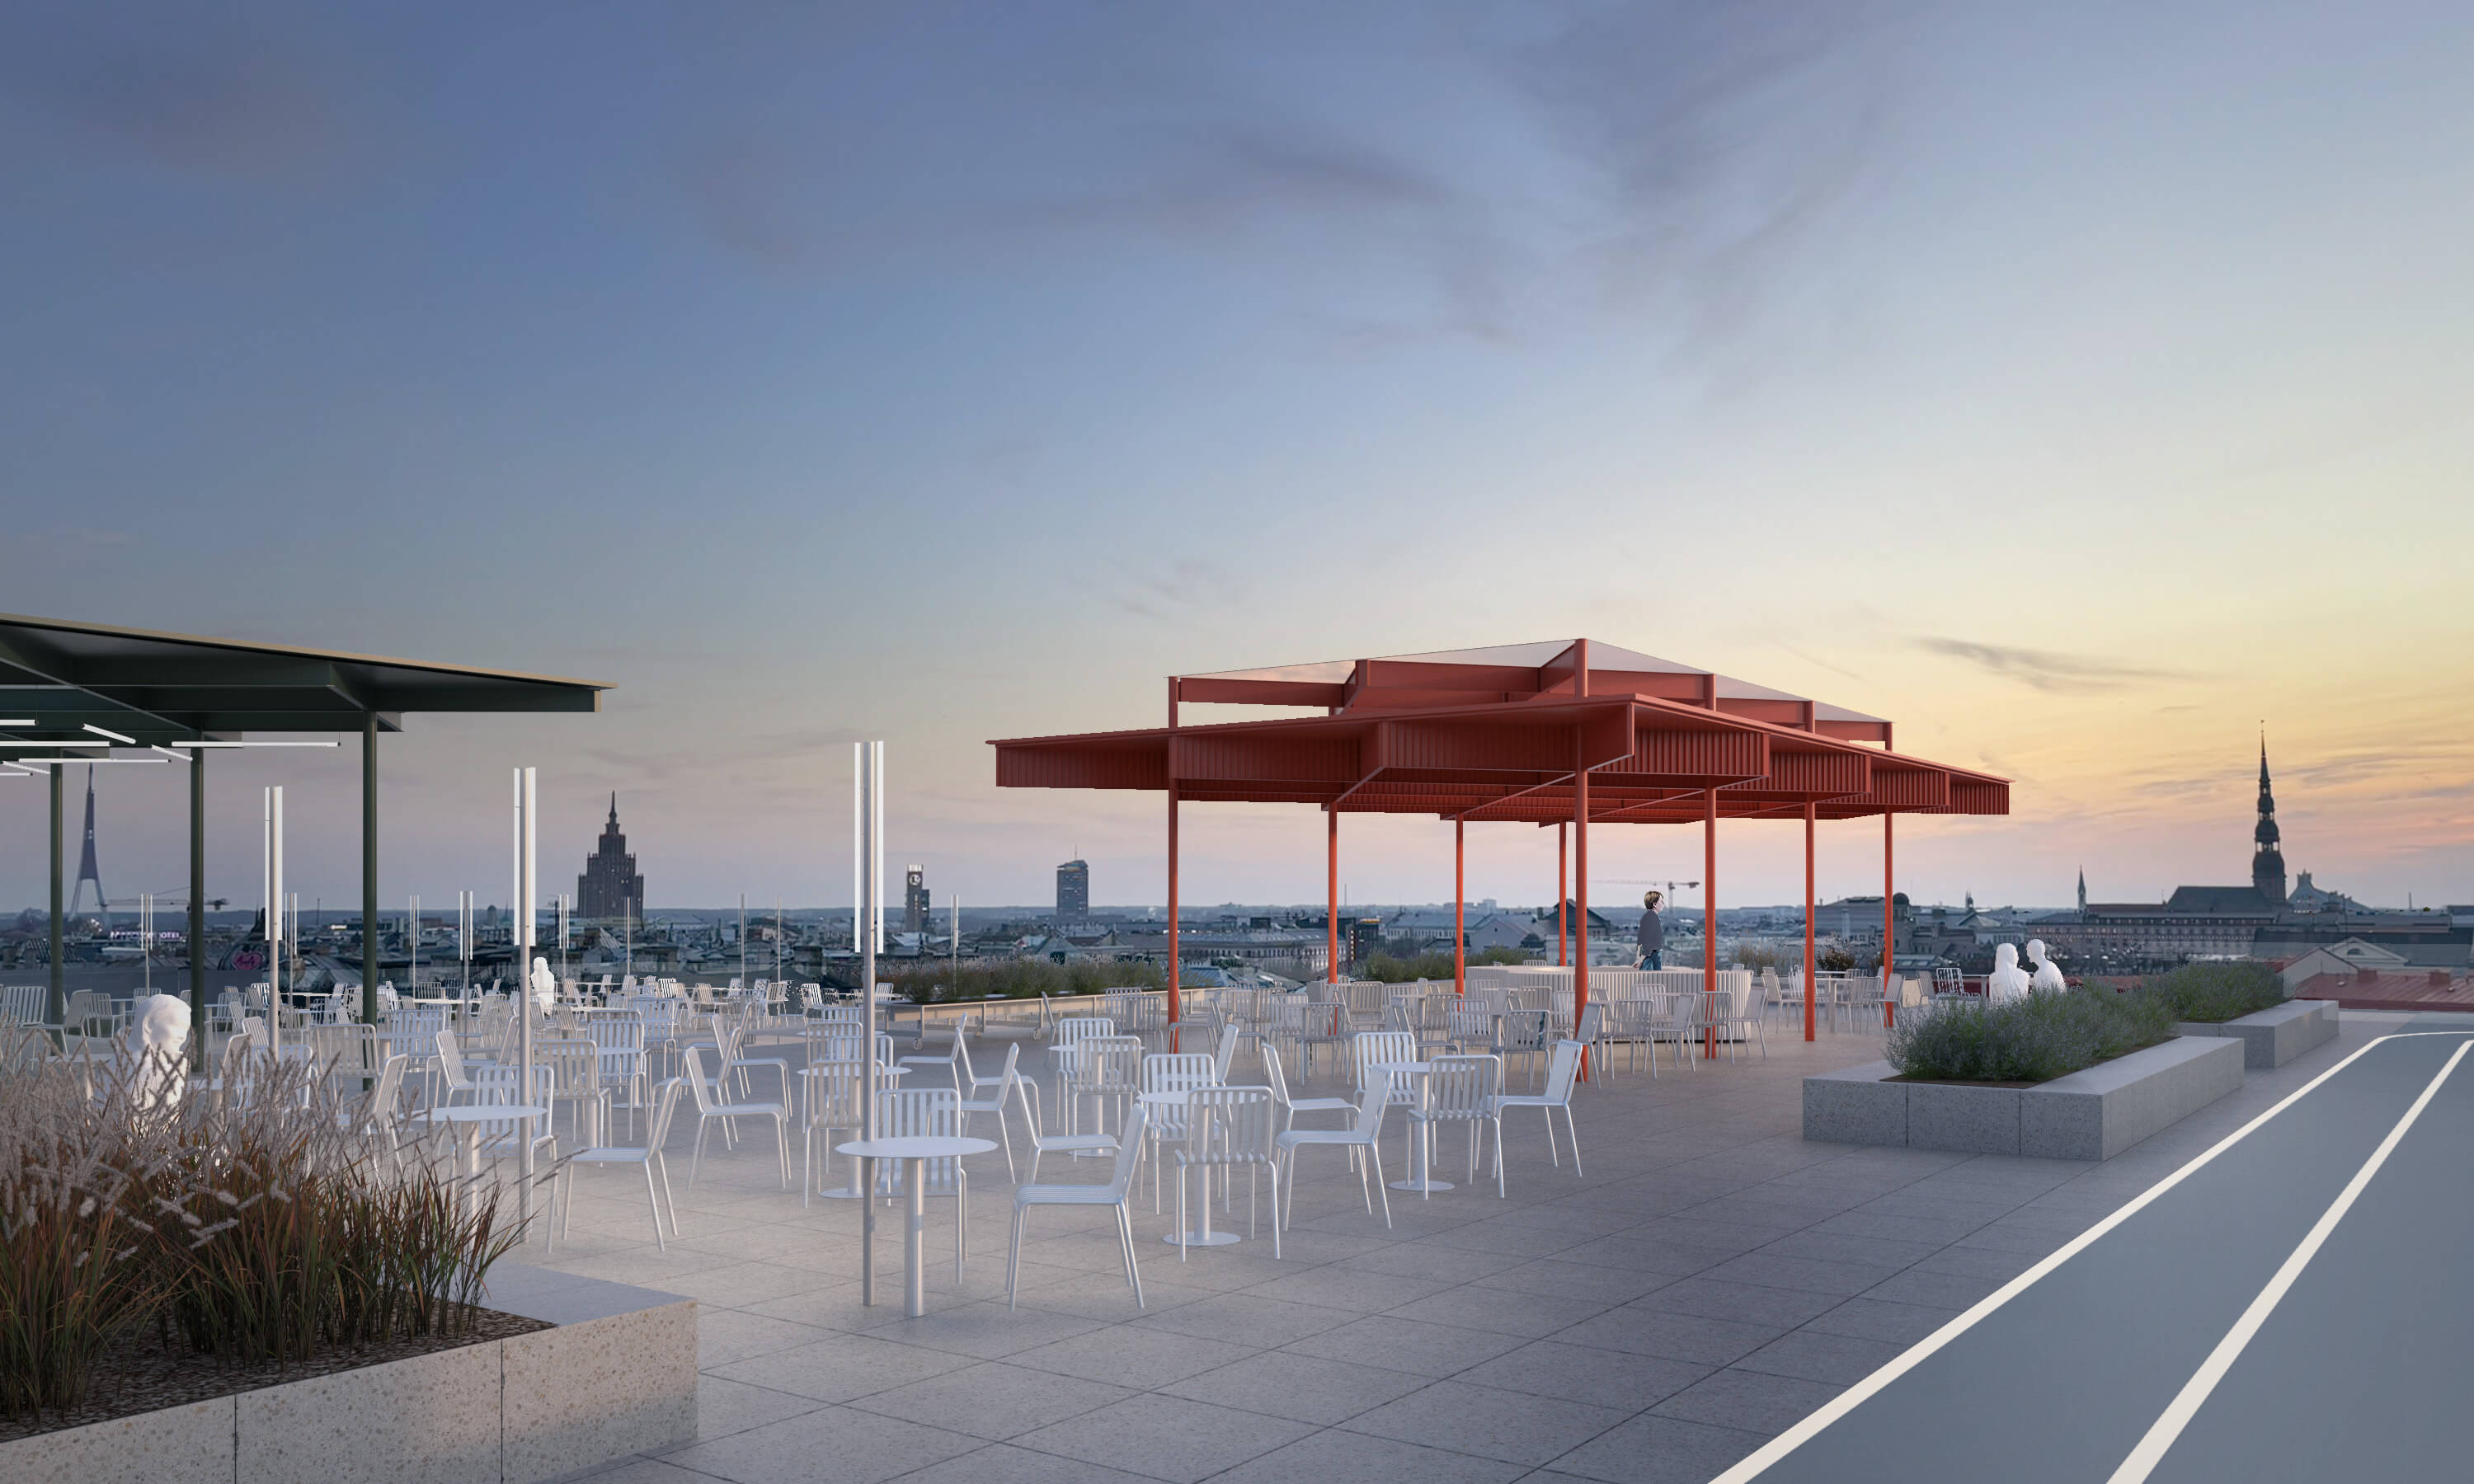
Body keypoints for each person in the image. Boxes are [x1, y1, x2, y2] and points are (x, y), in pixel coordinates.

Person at [1637, 890, 1665, 970]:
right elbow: (1649, 941)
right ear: (1655, 904)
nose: (1663, 904)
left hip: (1650, 955)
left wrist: (1639, 957)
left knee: (1651, 981)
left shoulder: (1649, 916)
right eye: (1661, 901)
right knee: (1651, 981)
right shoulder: (1652, 917)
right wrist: (1641, 959)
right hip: (1651, 955)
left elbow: (1641, 939)